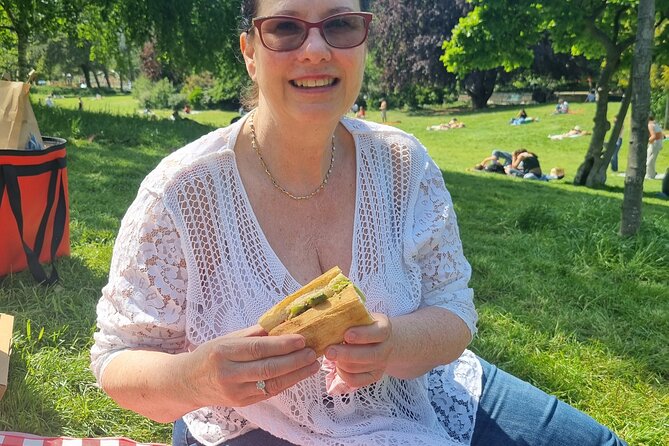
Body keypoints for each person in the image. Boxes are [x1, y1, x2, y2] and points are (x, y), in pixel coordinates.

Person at [90, 1, 628, 445]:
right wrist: (199, 375)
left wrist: (394, 344)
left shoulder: (403, 164)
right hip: (252, 427)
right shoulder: (183, 194)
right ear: (250, 52)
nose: (317, 49)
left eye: (341, 24)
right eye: (284, 28)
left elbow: (454, 311)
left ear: (363, 42)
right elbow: (117, 362)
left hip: (427, 391)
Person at [646, 115, 664, 179]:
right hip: (658, 143)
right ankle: (652, 174)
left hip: (654, 143)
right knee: (651, 159)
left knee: (649, 161)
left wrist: (647, 142)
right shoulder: (655, 124)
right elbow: (662, 135)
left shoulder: (650, 125)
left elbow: (653, 136)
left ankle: (650, 175)